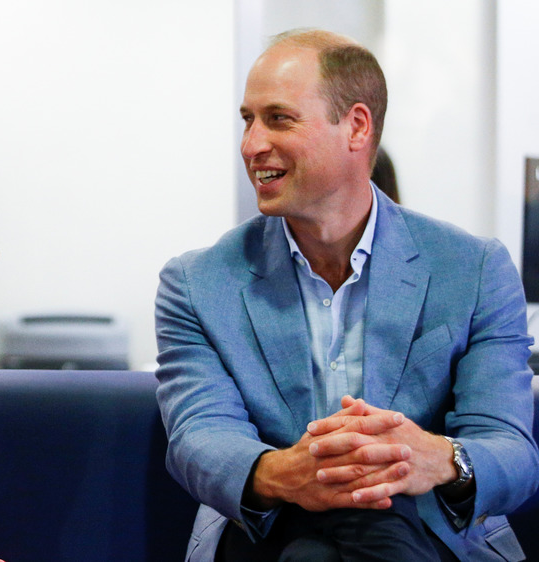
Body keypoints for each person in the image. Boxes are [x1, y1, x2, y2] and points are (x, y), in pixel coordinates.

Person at [154, 29, 539, 561]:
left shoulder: (474, 269)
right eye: (248, 119)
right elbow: (200, 437)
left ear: (356, 126)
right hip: (270, 530)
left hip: (430, 530)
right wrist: (282, 472)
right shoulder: (197, 283)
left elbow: (512, 451)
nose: (251, 144)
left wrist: (435, 458)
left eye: (278, 118)